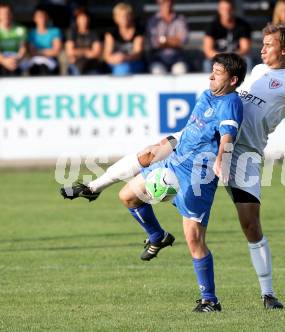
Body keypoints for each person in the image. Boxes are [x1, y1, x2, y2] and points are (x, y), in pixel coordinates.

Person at [60, 24, 285, 310]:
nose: (262, 48)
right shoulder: (256, 72)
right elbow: (228, 101)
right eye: (263, 43)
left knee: (250, 225)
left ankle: (268, 294)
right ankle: (93, 187)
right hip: (207, 144)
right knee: (150, 152)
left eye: (269, 44)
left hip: (242, 156)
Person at [61, 53, 247, 313]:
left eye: (217, 72)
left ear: (233, 79)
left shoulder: (231, 102)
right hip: (174, 163)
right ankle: (156, 235)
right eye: (212, 70)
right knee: (127, 196)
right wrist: (168, 143)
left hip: (197, 178)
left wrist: (222, 160)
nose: (211, 75)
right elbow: (193, 130)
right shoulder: (207, 95)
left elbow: (228, 135)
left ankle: (210, 300)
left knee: (194, 240)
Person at [203, 0, 252, 72]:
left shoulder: (243, 25)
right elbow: (208, 50)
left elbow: (245, 49)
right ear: (219, 10)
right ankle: (210, 82)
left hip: (236, 58)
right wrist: (222, 58)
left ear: (233, 9)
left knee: (247, 61)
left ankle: (246, 83)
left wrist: (231, 57)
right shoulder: (212, 26)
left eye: (229, 9)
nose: (227, 12)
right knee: (207, 63)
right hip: (218, 58)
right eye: (223, 9)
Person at [147, 0, 188, 75]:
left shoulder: (180, 19)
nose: (167, 4)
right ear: (159, 3)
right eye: (164, 2)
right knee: (157, 72)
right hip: (158, 58)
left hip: (177, 58)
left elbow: (183, 41)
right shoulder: (153, 20)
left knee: (181, 70)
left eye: (169, 1)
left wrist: (163, 40)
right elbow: (154, 43)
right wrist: (175, 40)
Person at [104, 2, 144, 75]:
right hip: (115, 63)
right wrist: (115, 59)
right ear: (116, 18)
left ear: (131, 16)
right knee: (120, 68)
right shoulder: (111, 34)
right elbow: (107, 56)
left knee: (124, 69)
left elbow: (138, 54)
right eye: (121, 16)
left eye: (126, 15)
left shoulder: (138, 32)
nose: (124, 18)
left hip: (133, 62)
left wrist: (124, 58)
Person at [65, 7, 104, 75]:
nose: (84, 21)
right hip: (76, 63)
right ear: (77, 20)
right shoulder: (72, 33)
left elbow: (96, 53)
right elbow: (70, 51)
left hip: (91, 64)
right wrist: (87, 51)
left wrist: (78, 52)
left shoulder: (94, 33)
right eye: (81, 19)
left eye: (85, 18)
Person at [27, 6, 62, 75]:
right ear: (34, 19)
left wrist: (39, 52)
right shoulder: (31, 33)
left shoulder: (55, 31)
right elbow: (32, 52)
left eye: (43, 16)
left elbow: (56, 51)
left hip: (51, 61)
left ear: (47, 18)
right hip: (35, 62)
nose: (42, 19)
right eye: (39, 17)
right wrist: (48, 51)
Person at [0, 3, 26, 76]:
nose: (5, 16)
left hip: (17, 59)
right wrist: (4, 61)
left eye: (7, 13)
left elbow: (23, 48)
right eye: (2, 13)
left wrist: (17, 59)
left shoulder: (21, 29)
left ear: (11, 14)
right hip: (2, 60)